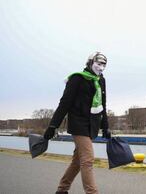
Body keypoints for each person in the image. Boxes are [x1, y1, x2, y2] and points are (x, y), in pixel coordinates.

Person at [43, 52, 111, 194]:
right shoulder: (77, 78)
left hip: (92, 125)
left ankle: (62, 189)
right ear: (90, 63)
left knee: (77, 161)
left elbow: (103, 104)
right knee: (88, 159)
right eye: (98, 64)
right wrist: (53, 125)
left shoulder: (101, 80)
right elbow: (65, 103)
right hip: (78, 124)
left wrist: (105, 126)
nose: (101, 67)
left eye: (104, 65)